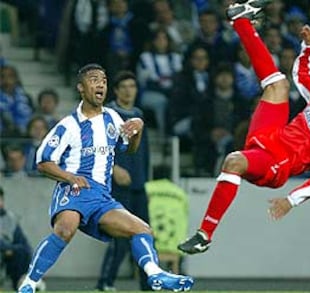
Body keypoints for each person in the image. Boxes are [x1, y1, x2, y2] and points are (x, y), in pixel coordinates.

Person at [178, 0, 310, 255]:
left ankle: (204, 234)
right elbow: (301, 76)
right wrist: (309, 47)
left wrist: (291, 199)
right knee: (279, 84)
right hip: (272, 135)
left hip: (278, 162)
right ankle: (240, 20)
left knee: (233, 162)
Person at [17, 64, 194, 293]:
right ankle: (30, 283)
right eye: (93, 79)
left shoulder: (112, 117)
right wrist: (69, 177)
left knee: (142, 229)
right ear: (81, 88)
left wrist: (138, 130)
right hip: (76, 190)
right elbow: (43, 161)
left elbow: (128, 149)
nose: (100, 84)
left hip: (102, 196)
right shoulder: (69, 125)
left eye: (103, 80)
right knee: (65, 229)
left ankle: (155, 274)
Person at [96, 71, 151, 291]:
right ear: (116, 90)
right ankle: (104, 282)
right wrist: (113, 168)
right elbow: (98, 149)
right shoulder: (107, 115)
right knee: (119, 238)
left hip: (138, 185)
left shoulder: (138, 114)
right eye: (124, 86)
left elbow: (143, 152)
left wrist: (145, 178)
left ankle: (148, 285)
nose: (129, 90)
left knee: (144, 234)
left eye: (133, 86)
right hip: (116, 187)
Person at [0, 187, 46, 291]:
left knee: (23, 251)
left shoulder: (10, 218)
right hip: (4, 250)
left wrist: (9, 249)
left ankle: (24, 282)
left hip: (7, 254)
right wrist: (6, 248)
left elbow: (23, 243)